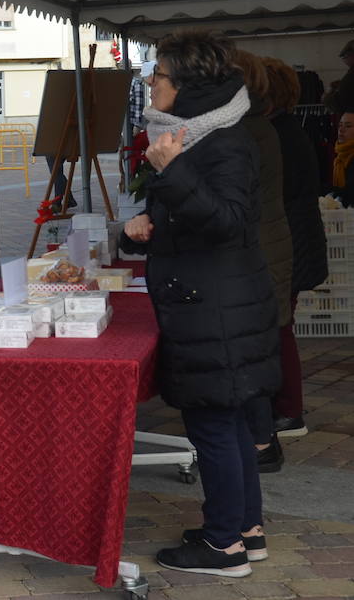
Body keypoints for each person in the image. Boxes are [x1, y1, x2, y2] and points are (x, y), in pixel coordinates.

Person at [119, 31, 278, 578]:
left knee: (214, 427)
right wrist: (144, 227)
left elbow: (228, 222)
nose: (149, 83)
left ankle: (222, 546)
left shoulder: (222, 142)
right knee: (228, 425)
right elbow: (192, 220)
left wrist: (174, 172)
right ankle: (245, 531)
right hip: (213, 303)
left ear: (184, 85)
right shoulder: (191, 135)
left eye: (157, 75)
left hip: (216, 310)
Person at [232, 50, 292, 474]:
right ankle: (261, 436)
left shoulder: (245, 132)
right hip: (263, 248)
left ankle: (262, 441)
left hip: (256, 254)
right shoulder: (253, 127)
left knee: (253, 350)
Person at [262, 57, 326, 441]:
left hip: (289, 245)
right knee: (280, 326)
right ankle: (285, 406)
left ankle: (288, 411)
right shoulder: (284, 129)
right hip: (294, 242)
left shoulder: (280, 134)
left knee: (280, 327)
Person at [321, 40, 354, 114]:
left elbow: (340, 102)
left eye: (344, 57)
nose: (344, 61)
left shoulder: (351, 75)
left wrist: (328, 95)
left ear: (350, 55)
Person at [332, 112, 354, 207]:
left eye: (348, 126)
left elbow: (349, 192)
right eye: (340, 125)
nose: (341, 130)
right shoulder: (340, 158)